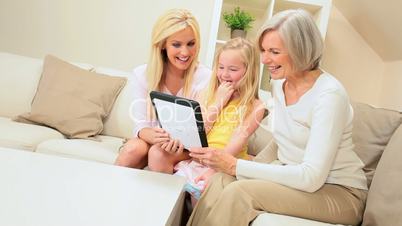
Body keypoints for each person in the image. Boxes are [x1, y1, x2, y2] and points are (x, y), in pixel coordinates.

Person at [187, 9, 368, 226]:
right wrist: (229, 169)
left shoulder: (329, 95)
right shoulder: (279, 84)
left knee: (240, 192)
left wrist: (236, 166)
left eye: (274, 51)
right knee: (219, 180)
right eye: (263, 50)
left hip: (340, 193)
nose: (264, 60)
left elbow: (311, 177)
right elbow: (281, 141)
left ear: (300, 50)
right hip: (302, 182)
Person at [169, 38, 265, 199]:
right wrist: (219, 102)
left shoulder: (256, 106)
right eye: (220, 67)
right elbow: (197, 133)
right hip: (200, 159)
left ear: (249, 71)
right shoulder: (207, 94)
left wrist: (213, 169)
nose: (224, 74)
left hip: (225, 163)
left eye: (233, 69)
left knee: (202, 191)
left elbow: (238, 141)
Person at [114, 9, 211, 168]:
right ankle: (108, 189)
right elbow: (140, 125)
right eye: (176, 44)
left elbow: (202, 130)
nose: (185, 52)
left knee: (158, 152)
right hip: (152, 140)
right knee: (132, 149)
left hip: (187, 148)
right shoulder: (142, 74)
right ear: (163, 45)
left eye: (191, 44)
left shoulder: (205, 77)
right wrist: (154, 136)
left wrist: (176, 140)